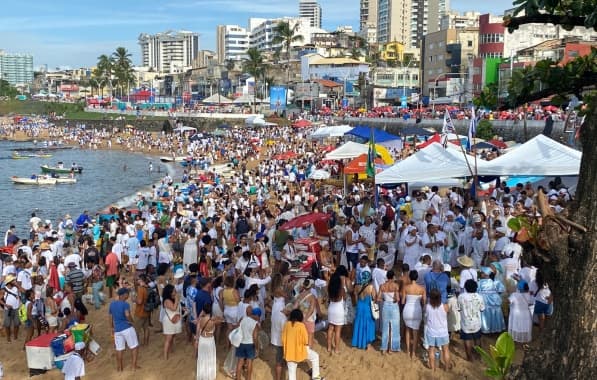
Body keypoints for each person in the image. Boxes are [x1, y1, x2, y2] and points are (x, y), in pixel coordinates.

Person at [282, 309, 323, 380]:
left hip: (289, 353)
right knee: (315, 357)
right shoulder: (301, 326)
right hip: (300, 350)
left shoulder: (286, 325)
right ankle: (315, 377)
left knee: (292, 374)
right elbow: (305, 340)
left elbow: (283, 339)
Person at [109, 287, 140, 372]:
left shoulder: (112, 304)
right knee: (134, 347)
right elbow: (127, 315)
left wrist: (112, 327)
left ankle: (120, 368)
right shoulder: (125, 304)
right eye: (127, 294)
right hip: (127, 328)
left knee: (119, 349)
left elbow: (110, 317)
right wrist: (132, 322)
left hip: (117, 330)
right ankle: (133, 366)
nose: (128, 295)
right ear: (123, 295)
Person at [457, 279, 485, 361]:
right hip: (477, 323)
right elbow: (482, 309)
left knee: (467, 340)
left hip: (466, 323)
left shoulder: (461, 297)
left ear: (465, 287)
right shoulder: (479, 297)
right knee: (477, 339)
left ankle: (469, 358)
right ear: (476, 287)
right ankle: (479, 356)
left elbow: (459, 309)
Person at [424, 288, 451, 371]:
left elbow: (425, 316)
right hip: (443, 331)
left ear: (430, 297)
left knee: (431, 350)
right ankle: (446, 368)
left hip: (431, 331)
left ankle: (432, 368)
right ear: (439, 297)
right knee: (445, 350)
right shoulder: (445, 306)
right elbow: (448, 313)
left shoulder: (427, 306)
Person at [401, 270, 426, 359]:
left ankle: (407, 351)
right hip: (417, 311)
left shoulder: (405, 288)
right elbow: (424, 302)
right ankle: (413, 353)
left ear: (410, 277)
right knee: (415, 333)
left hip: (407, 310)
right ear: (417, 277)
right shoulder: (422, 289)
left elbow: (403, 301)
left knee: (407, 331)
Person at [196, 302, 223, 380]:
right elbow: (221, 319)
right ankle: (209, 376)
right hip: (209, 341)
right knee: (210, 357)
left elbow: (198, 330)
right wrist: (215, 317)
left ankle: (202, 375)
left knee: (202, 357)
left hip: (202, 340)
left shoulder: (200, 319)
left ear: (203, 310)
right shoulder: (213, 322)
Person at [377, 270, 400, 354]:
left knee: (385, 327)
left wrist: (384, 299)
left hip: (385, 305)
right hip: (394, 307)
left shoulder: (382, 286)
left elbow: (378, 298)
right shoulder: (395, 286)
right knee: (394, 327)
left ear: (387, 276)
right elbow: (397, 299)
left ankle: (384, 348)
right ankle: (391, 348)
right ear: (393, 276)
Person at [351, 270, 376, 350]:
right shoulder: (371, 287)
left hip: (359, 306)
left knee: (359, 324)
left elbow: (355, 298)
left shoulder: (357, 286)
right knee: (368, 324)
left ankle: (357, 343)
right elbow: (374, 299)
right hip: (367, 307)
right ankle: (368, 345)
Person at [478, 267, 506, 334]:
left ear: (486, 274)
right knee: (495, 313)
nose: (481, 274)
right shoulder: (496, 281)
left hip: (485, 300)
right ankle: (496, 328)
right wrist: (494, 294)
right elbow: (501, 290)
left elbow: (477, 290)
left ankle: (486, 328)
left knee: (486, 313)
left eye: (482, 273)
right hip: (495, 299)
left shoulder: (480, 282)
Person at [235, 307, 261, 380]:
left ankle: (238, 378)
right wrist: (256, 347)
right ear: (252, 313)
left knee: (240, 362)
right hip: (250, 344)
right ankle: (248, 378)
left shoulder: (241, 320)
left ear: (246, 312)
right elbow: (255, 337)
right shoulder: (254, 323)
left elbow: (237, 328)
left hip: (241, 343)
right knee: (249, 362)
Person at [327, 266, 347, 354]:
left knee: (330, 329)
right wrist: (342, 284)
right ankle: (336, 349)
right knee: (338, 331)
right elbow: (345, 298)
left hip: (331, 308)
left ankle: (328, 347)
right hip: (339, 310)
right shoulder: (341, 289)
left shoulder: (329, 288)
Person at [161, 283, 182, 359]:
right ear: (169, 292)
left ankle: (170, 350)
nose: (175, 292)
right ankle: (165, 355)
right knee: (168, 338)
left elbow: (176, 307)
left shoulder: (171, 298)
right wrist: (176, 299)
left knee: (172, 336)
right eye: (173, 291)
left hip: (174, 319)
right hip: (169, 321)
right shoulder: (167, 300)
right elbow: (173, 308)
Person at [1, 275, 21, 342]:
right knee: (7, 325)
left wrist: (17, 285)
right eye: (13, 280)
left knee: (17, 323)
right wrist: (5, 305)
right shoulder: (4, 289)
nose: (15, 281)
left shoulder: (16, 288)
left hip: (16, 308)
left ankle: (15, 336)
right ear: (9, 282)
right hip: (8, 310)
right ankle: (8, 338)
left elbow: (22, 291)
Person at [133, 274, 150, 346]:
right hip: (147, 310)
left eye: (138, 279)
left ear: (141, 280)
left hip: (140, 312)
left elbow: (139, 301)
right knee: (146, 328)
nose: (137, 280)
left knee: (136, 330)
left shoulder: (140, 288)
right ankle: (146, 343)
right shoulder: (147, 287)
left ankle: (136, 344)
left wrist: (134, 299)